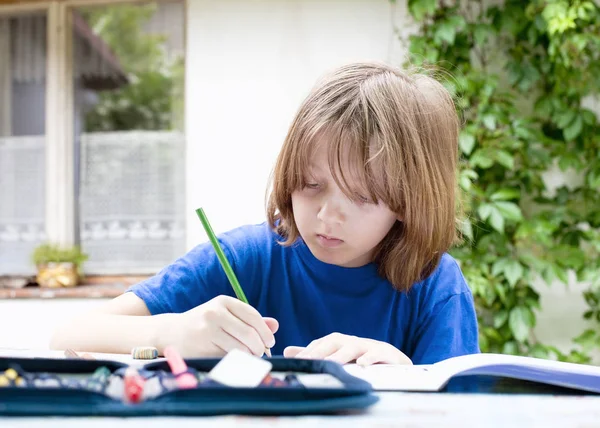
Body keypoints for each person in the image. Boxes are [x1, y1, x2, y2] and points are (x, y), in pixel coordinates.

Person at [51, 61, 479, 365]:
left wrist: (406, 379)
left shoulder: (436, 286)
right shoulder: (246, 256)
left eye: (364, 197)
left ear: (408, 202)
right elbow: (68, 334)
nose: (328, 216)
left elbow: (461, 411)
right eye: (311, 185)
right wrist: (172, 332)